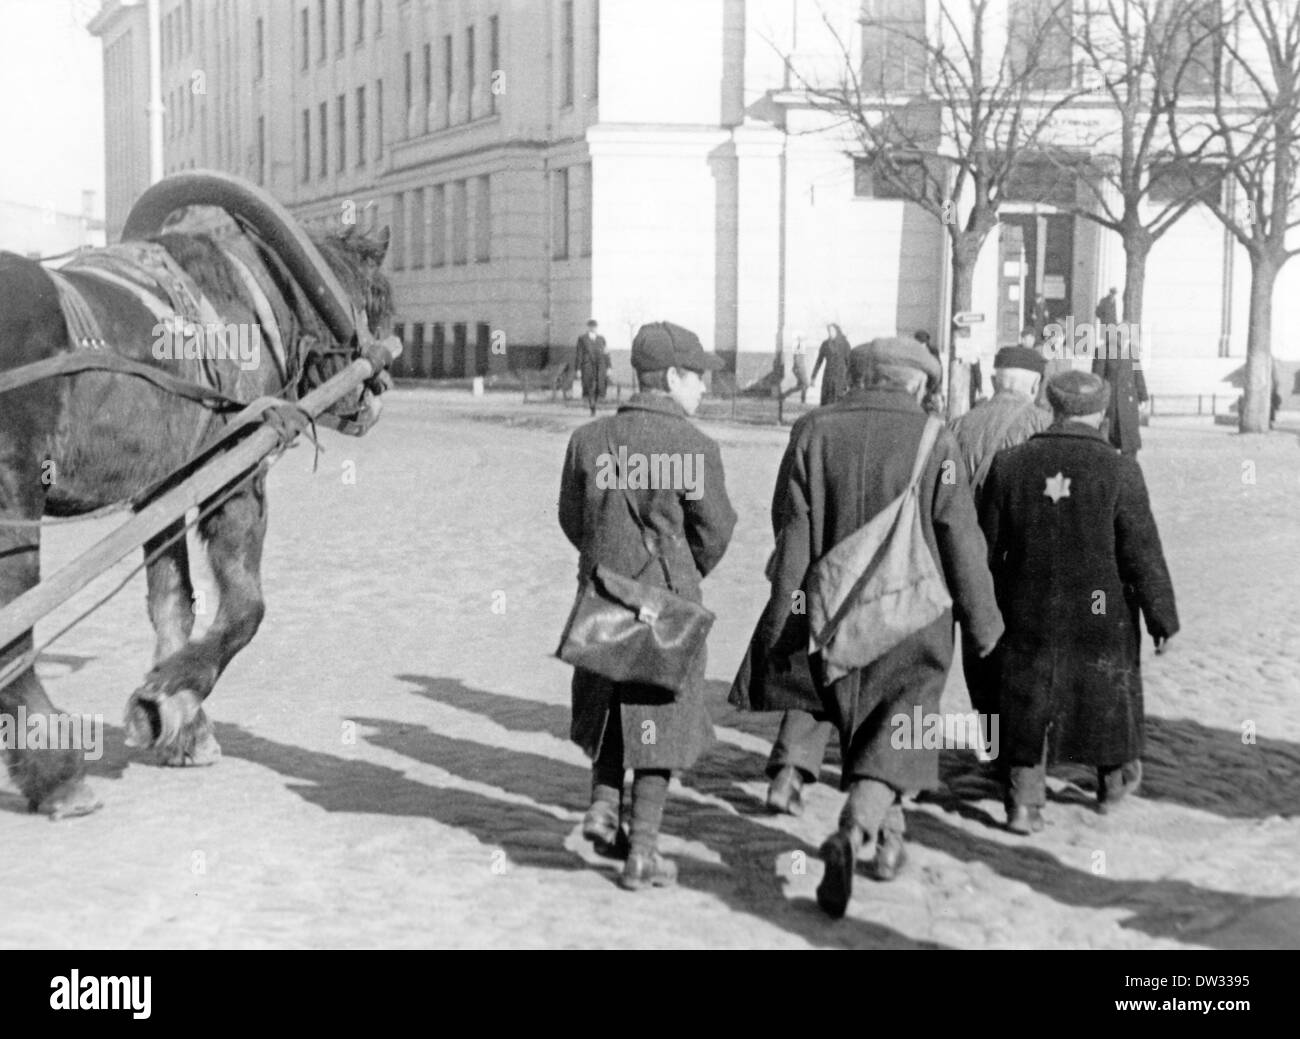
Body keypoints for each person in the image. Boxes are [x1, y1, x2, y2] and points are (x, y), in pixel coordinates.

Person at [739, 336, 1003, 918]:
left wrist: (787, 605)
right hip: (914, 617)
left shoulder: (811, 430)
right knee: (902, 729)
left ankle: (889, 843)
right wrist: (983, 622)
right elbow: (960, 536)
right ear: (917, 383)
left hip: (832, 608)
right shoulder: (939, 440)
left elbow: (791, 524)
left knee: (852, 717)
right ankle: (854, 832)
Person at [558, 321, 737, 890]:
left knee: (608, 700)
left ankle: (603, 806)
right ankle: (644, 851)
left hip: (602, 599)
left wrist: (607, 563)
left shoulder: (588, 440)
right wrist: (681, 573)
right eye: (698, 377)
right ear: (674, 378)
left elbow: (572, 518)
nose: (704, 388)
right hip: (666, 607)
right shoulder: (696, 448)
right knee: (658, 716)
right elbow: (716, 530)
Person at [979, 371, 1179, 836]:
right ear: (1101, 412)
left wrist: (981, 613)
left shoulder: (1009, 465)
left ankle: (1023, 802)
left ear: (1052, 406)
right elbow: (1141, 551)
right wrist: (1161, 617)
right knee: (1105, 691)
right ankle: (1112, 782)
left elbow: (985, 549)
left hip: (1027, 608)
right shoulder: (1120, 468)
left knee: (1026, 699)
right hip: (1100, 610)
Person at [948, 346, 1051, 734]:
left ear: (993, 381)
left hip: (970, 555)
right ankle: (1020, 737)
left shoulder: (957, 426)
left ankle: (990, 732)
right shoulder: (1043, 424)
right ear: (1036, 384)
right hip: (1021, 557)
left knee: (980, 644)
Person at [575, 319, 610, 416]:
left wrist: (609, 367)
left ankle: (595, 403)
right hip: (587, 366)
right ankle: (592, 406)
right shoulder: (582, 339)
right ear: (588, 327)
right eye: (591, 326)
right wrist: (578, 369)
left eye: (595, 326)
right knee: (590, 386)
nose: (593, 328)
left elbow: (606, 353)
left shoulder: (601, 339)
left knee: (599, 386)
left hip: (600, 366)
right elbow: (579, 354)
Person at [811, 323, 851, 406]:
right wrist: (813, 377)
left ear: (837, 331)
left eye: (832, 331)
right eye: (828, 331)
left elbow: (849, 363)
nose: (830, 333)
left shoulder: (845, 344)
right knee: (827, 400)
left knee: (838, 400)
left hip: (840, 376)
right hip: (828, 376)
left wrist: (849, 380)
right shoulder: (825, 344)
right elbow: (819, 361)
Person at [915, 330, 945, 416]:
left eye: (922, 343)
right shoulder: (914, 352)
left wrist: (935, 389)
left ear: (926, 343)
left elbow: (937, 371)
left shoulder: (933, 352)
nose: (920, 345)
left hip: (930, 385)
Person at [792, 335, 810, 404]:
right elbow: (797, 360)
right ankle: (803, 400)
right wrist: (798, 369)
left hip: (800, 369)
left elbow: (797, 359)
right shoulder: (799, 348)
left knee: (802, 385)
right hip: (800, 369)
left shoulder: (799, 348)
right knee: (805, 384)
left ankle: (803, 400)